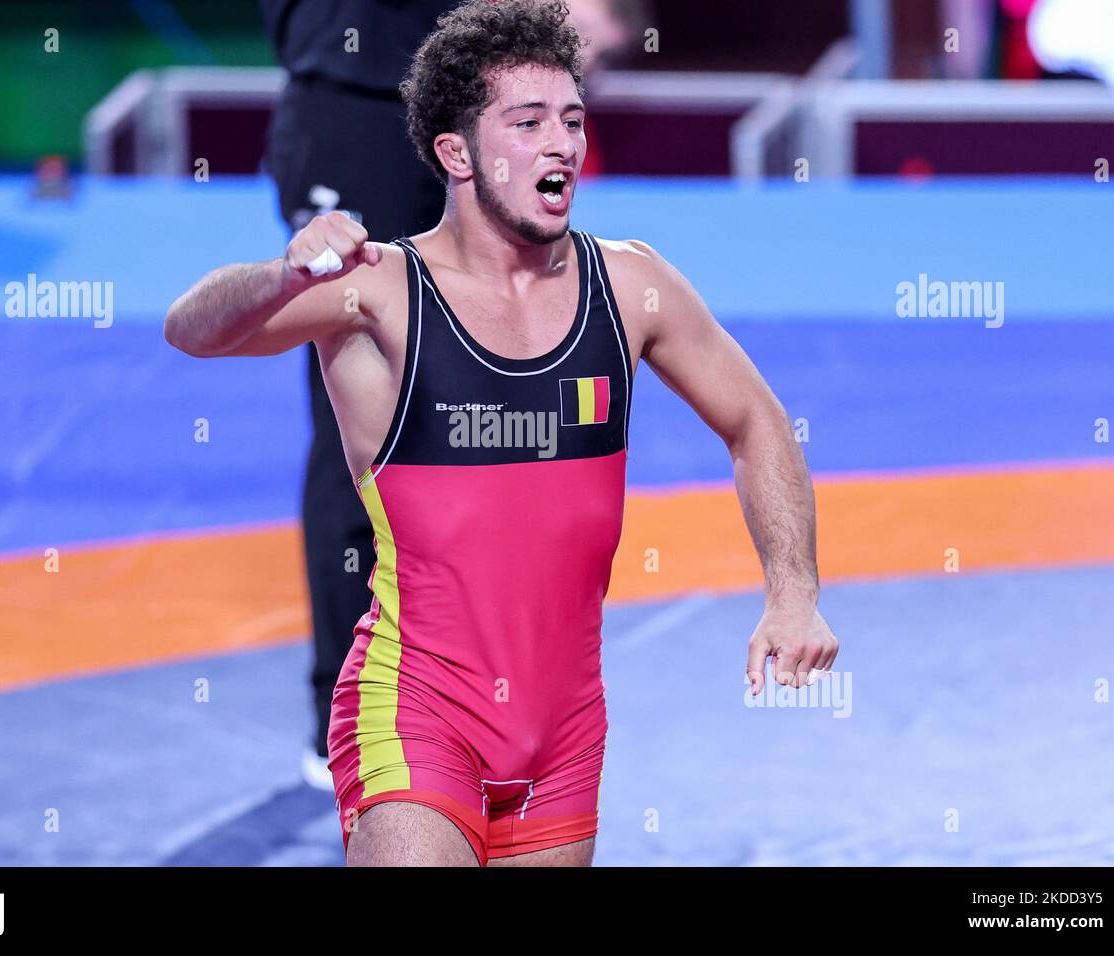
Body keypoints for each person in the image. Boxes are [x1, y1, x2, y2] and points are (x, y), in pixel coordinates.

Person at [167, 0, 839, 866]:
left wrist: (793, 589)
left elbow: (757, 421)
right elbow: (192, 329)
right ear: (457, 154)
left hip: (563, 735)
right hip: (415, 714)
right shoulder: (382, 295)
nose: (560, 143)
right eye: (526, 124)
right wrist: (278, 273)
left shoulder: (632, 286)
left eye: (570, 119)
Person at [259, 0, 642, 789]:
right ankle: (344, 704)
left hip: (455, 100)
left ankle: (477, 688)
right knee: (358, 412)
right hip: (355, 104)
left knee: (477, 378)